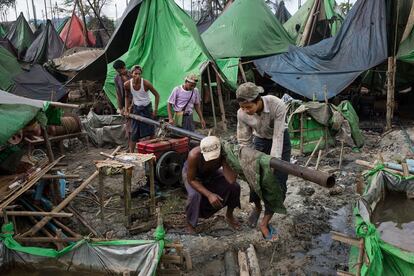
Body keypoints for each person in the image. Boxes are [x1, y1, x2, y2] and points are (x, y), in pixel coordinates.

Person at [236, 82, 291, 241]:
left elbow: (278, 137)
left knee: (278, 182)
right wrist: (246, 158)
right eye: (243, 107)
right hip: (259, 140)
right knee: (254, 178)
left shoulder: (276, 105)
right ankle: (258, 207)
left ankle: (265, 223)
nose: (246, 111)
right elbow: (244, 140)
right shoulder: (242, 113)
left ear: (258, 100)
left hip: (280, 140)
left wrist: (273, 163)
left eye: (249, 107)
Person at [183, 136, 241, 233]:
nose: (211, 160)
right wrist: (209, 194)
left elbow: (231, 180)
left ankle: (229, 215)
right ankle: (190, 223)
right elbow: (191, 180)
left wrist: (227, 159)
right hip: (193, 176)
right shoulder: (194, 155)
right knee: (194, 195)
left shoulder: (223, 154)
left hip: (211, 173)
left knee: (235, 187)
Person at [124, 65, 160, 153]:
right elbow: (127, 97)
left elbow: (157, 95)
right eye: (135, 73)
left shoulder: (146, 83)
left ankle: (153, 152)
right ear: (131, 74)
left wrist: (155, 110)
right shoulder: (127, 84)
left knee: (151, 131)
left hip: (147, 108)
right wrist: (126, 109)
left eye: (139, 74)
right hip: (136, 108)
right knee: (134, 132)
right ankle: (132, 153)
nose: (138, 76)